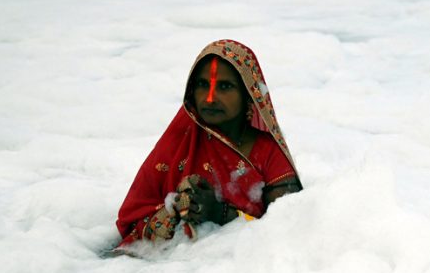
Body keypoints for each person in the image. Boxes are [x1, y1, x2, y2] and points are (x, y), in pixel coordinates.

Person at [116, 39, 302, 246]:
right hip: (165, 268)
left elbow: (288, 229)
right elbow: (131, 222)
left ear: (248, 94)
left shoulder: (267, 152)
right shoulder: (178, 142)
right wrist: (176, 211)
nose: (210, 98)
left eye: (225, 86)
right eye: (203, 85)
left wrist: (219, 212)